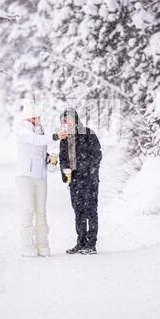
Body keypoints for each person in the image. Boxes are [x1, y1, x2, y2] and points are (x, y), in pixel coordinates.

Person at [17, 104, 67, 257]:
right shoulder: (23, 130)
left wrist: (51, 161)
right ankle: (27, 246)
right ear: (30, 118)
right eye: (37, 116)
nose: (39, 119)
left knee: (41, 211)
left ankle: (42, 245)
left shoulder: (41, 131)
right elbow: (36, 140)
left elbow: (43, 150)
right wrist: (55, 136)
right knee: (28, 210)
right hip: (26, 176)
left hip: (41, 177)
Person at [59, 108, 102, 255]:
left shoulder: (89, 134)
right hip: (75, 180)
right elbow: (62, 158)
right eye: (64, 120)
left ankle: (91, 244)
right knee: (79, 212)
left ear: (76, 119)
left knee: (91, 210)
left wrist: (89, 171)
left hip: (90, 180)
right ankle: (81, 242)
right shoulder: (64, 138)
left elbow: (97, 156)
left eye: (69, 119)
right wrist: (65, 171)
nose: (67, 122)